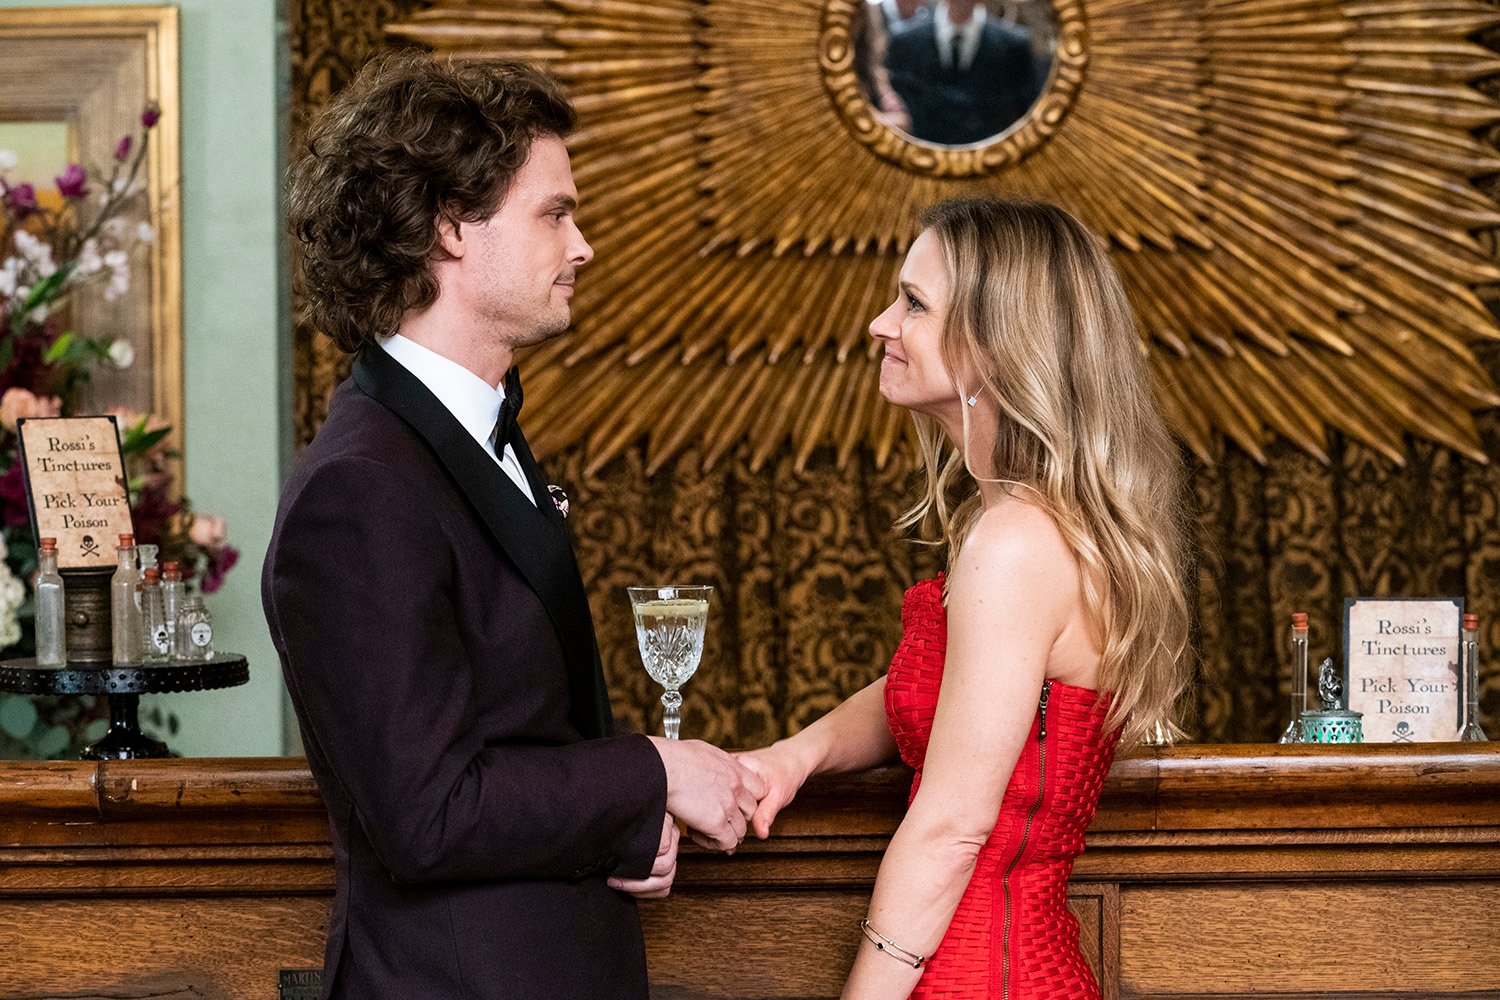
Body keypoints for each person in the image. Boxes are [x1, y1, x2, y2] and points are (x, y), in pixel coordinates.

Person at [266, 53, 763, 1000]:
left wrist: (629, 825)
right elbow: (426, 814)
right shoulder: (361, 489)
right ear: (450, 229)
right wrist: (651, 772)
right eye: (555, 214)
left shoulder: (471, 435)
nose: (581, 247)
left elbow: (521, 734)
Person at [739, 199, 1190, 1000]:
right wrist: (795, 755)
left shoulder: (1015, 542)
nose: (882, 323)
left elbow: (953, 830)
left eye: (914, 303)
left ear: (992, 345)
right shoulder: (1039, 524)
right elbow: (955, 695)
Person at [886, 0, 1042, 145]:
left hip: (992, 160)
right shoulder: (904, 41)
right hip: (921, 160)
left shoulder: (1014, 46)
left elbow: (1027, 112)